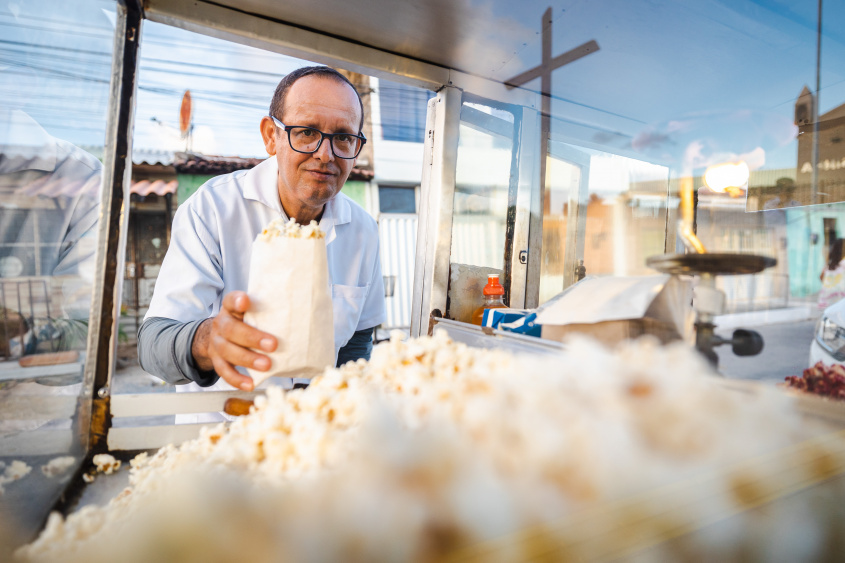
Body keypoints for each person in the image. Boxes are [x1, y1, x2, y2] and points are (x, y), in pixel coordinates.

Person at [138, 66, 386, 398]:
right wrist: (209, 339)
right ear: (271, 136)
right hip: (224, 433)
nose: (325, 155)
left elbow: (356, 342)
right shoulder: (214, 208)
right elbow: (153, 345)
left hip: (313, 437)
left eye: (343, 137)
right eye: (306, 132)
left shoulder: (363, 231)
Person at [818, 238, 845, 310]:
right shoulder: (843, 263)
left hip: (828, 301)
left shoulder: (829, 265)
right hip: (841, 300)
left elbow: (821, 277)